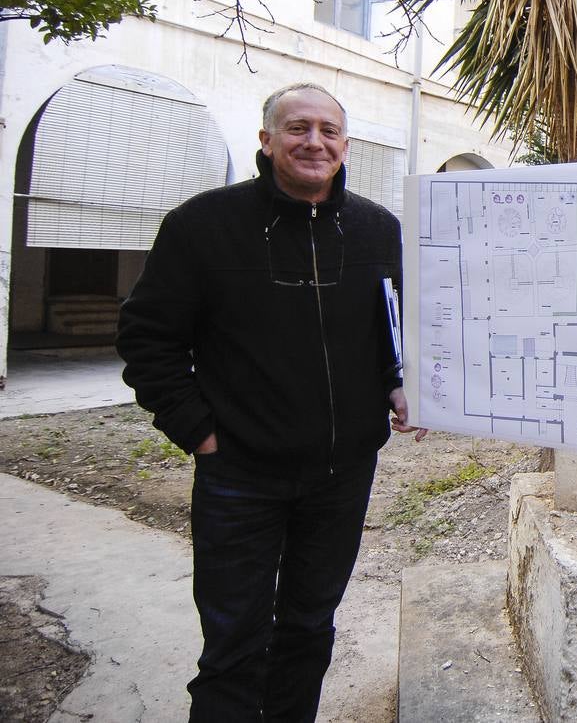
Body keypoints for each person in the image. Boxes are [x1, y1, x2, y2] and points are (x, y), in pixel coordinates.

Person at [117, 82, 425, 722]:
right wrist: (196, 429)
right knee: (233, 643)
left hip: (341, 476)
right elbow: (147, 337)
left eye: (329, 131)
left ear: (345, 147)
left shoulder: (377, 231)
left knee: (309, 629)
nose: (314, 141)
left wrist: (399, 381)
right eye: (297, 128)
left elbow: (398, 328)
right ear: (266, 140)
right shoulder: (203, 226)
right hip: (240, 475)